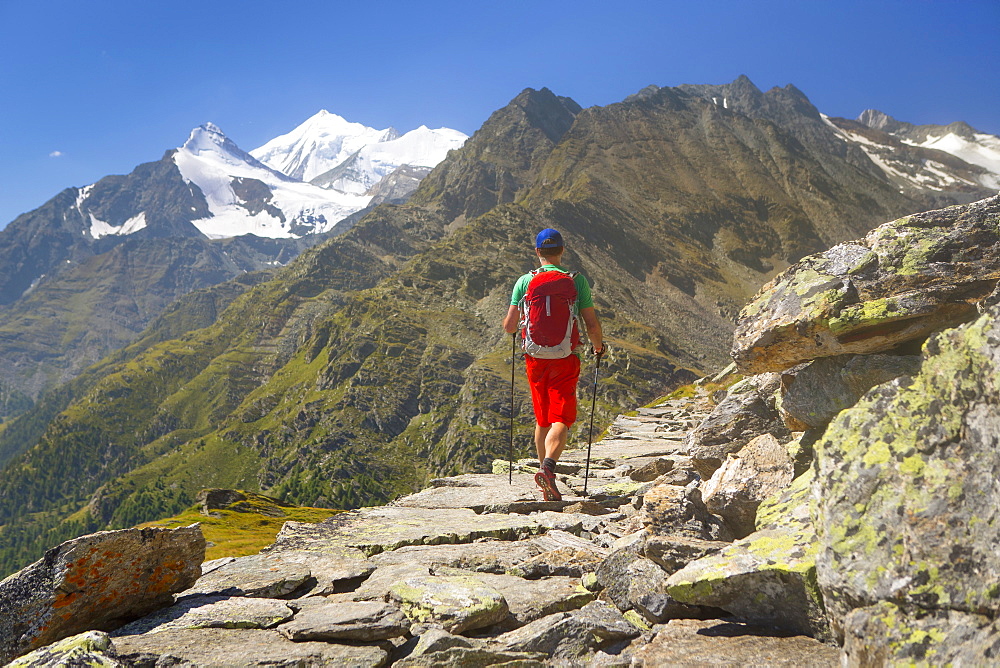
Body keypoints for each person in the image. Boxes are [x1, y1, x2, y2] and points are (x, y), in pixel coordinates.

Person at [502, 228, 604, 501]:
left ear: (537, 252)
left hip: (535, 358)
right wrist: (598, 346)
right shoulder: (576, 281)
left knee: (543, 418)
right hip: (565, 358)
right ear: (561, 251)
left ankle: (541, 474)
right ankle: (548, 468)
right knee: (562, 418)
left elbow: (510, 326)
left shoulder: (524, 281)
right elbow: (591, 323)